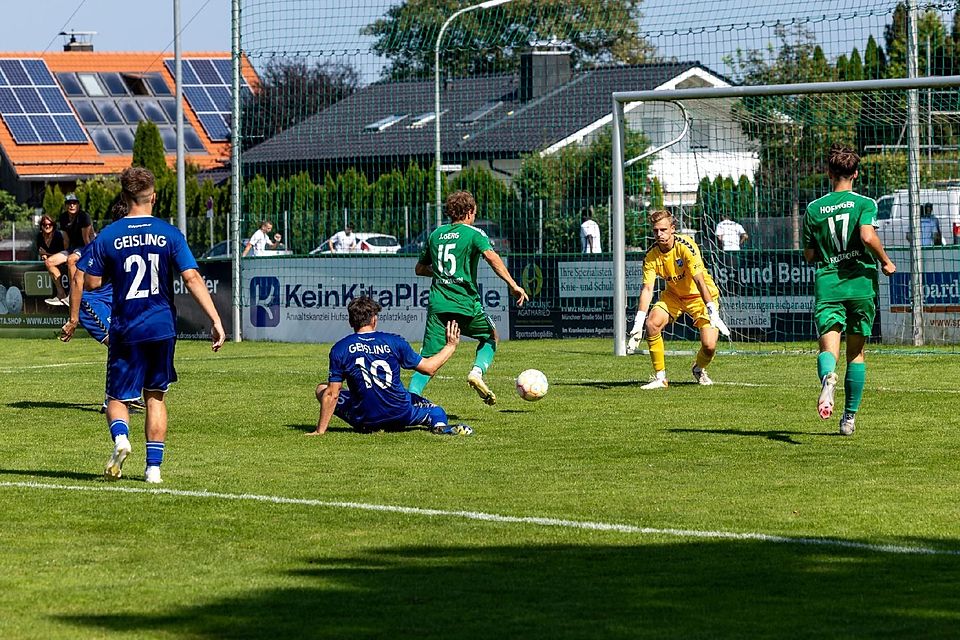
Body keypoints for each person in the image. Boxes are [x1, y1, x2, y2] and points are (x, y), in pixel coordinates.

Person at [84, 167, 225, 483]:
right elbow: (191, 277)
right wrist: (215, 320)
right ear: (154, 196)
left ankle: (121, 439)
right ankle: (153, 470)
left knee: (117, 398)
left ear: (124, 196)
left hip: (126, 326)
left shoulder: (108, 235)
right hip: (162, 326)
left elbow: (92, 282)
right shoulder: (169, 233)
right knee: (155, 396)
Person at [803, 144, 896, 436]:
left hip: (829, 285)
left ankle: (828, 378)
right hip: (860, 284)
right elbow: (867, 236)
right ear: (855, 173)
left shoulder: (814, 209)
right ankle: (849, 419)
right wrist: (885, 261)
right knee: (856, 354)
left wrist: (826, 253)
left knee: (828, 348)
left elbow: (808, 255)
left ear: (829, 173)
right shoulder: (865, 203)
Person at [410, 190, 529, 405]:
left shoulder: (435, 235)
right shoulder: (474, 234)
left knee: (428, 361)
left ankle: (410, 400)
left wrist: (441, 273)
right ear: (470, 212)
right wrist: (513, 285)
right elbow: (492, 257)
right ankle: (476, 371)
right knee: (490, 336)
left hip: (438, 305)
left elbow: (419, 269)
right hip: (464, 303)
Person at [310, 296, 471, 436]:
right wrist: (450, 346)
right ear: (374, 319)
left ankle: (367, 417)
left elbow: (333, 394)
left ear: (351, 321)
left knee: (322, 389)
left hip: (365, 420)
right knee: (436, 411)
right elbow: (429, 368)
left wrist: (320, 431)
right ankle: (439, 427)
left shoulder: (340, 348)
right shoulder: (394, 342)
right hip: (400, 414)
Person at [628, 209, 730, 389]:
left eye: (663, 230)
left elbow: (699, 280)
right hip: (674, 296)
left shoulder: (687, 246)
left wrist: (711, 309)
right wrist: (638, 323)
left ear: (672, 229)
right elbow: (648, 288)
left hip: (699, 297)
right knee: (652, 323)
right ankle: (660, 378)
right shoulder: (651, 255)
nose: (659, 234)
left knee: (709, 346)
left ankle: (698, 368)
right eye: (655, 231)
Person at [59, 199, 145, 413]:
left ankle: (125, 397)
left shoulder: (130, 241)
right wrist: (73, 319)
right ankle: (112, 401)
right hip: (92, 302)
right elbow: (78, 278)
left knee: (130, 344)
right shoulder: (104, 241)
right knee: (118, 345)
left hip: (111, 302)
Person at [45, 193, 94, 305]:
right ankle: (61, 294)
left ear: (78, 205)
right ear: (65, 205)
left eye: (74, 203)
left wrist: (91, 256)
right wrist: (63, 252)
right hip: (73, 248)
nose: (72, 205)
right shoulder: (63, 218)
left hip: (86, 247)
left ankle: (72, 295)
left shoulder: (84, 216)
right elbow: (66, 239)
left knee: (71, 259)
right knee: (49, 262)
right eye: (69, 203)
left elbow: (87, 239)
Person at [36, 214, 70, 304]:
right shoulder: (39, 237)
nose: (47, 226)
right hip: (50, 264)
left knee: (49, 262)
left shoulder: (58, 235)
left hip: (63, 263)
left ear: (53, 225)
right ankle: (61, 294)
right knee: (49, 263)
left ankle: (64, 295)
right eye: (44, 224)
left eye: (49, 224)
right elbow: (40, 251)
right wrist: (44, 256)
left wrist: (46, 254)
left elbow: (63, 253)